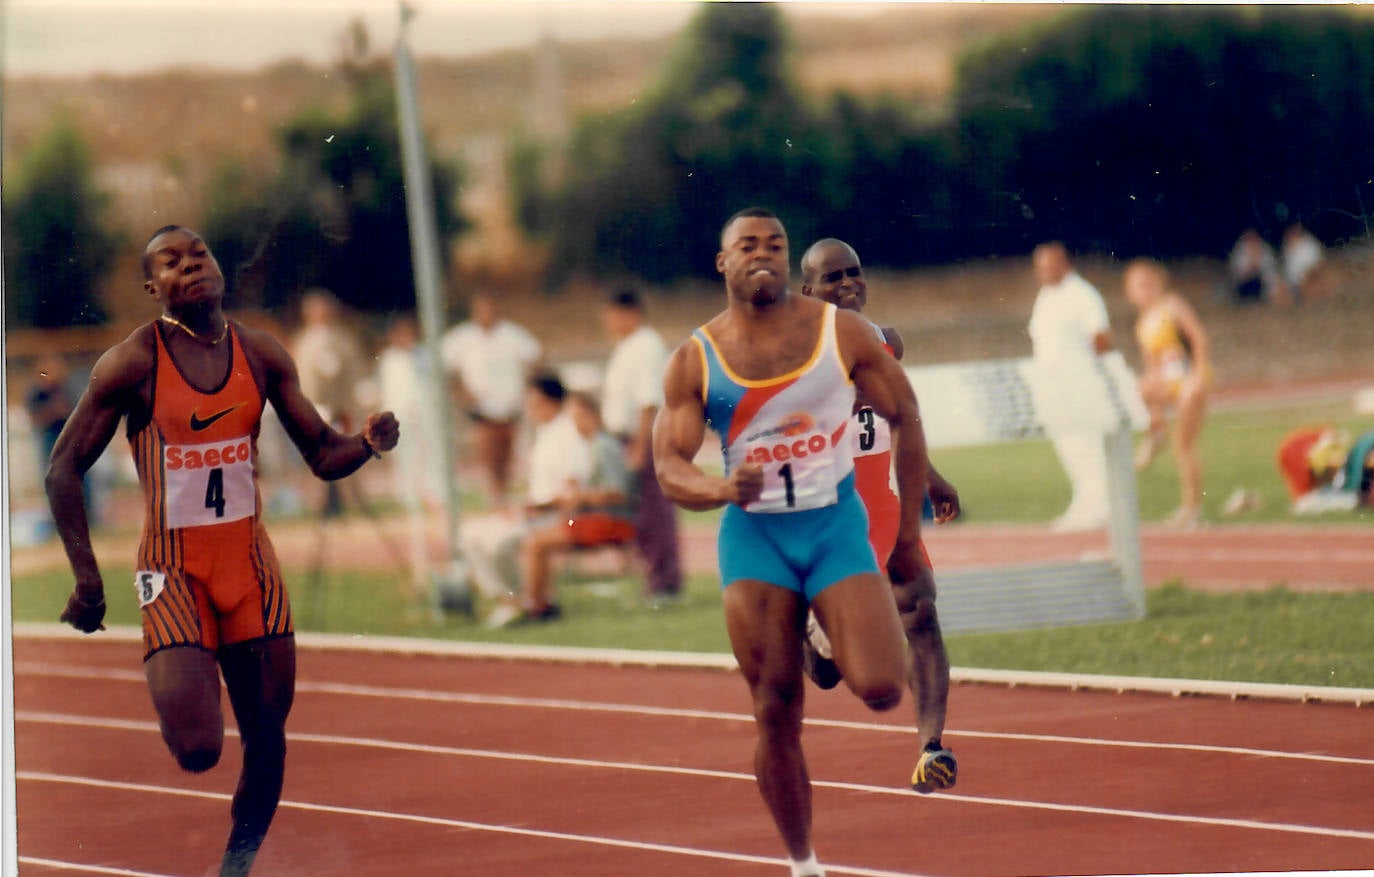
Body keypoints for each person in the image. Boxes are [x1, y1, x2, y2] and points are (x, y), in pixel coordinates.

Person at [45, 225, 399, 876]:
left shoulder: (260, 353)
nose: (192, 267)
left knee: (267, 737)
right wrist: (87, 579)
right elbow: (63, 467)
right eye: (172, 263)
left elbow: (323, 453)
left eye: (200, 254)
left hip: (250, 566)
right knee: (199, 747)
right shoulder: (133, 361)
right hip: (174, 567)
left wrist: (368, 443)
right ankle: (174, 677)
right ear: (154, 289)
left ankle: (236, 866)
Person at [653, 207, 927, 877]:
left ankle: (817, 629)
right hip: (756, 538)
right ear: (722, 262)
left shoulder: (841, 332)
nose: (763, 253)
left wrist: (909, 538)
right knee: (774, 708)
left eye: (775, 243)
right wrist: (721, 489)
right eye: (746, 245)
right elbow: (669, 466)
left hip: (833, 523)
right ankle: (804, 862)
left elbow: (905, 412)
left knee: (884, 686)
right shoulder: (697, 356)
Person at [798, 237, 960, 794]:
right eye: (832, 277)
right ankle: (809, 633)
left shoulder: (886, 343)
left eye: (854, 273)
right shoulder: (796, 354)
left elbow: (899, 421)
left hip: (885, 511)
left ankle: (931, 747)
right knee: (826, 671)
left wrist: (932, 480)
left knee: (921, 612)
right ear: (807, 291)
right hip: (831, 518)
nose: (846, 284)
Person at [461, 373, 622, 627]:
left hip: (555, 515)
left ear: (551, 402)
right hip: (536, 510)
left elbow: (573, 487)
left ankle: (521, 601)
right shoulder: (544, 433)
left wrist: (536, 508)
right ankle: (508, 599)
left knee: (498, 543)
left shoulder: (570, 435)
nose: (531, 409)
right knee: (471, 534)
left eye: (535, 403)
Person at [600, 287, 683, 604]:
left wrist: (639, 445)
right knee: (641, 512)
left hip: (645, 435)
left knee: (654, 511)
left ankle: (665, 581)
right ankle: (654, 577)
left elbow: (648, 400)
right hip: (627, 436)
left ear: (629, 313)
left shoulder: (646, 345)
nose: (608, 322)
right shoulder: (626, 347)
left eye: (612, 315)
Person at [1027, 241, 1115, 532]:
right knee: (1069, 446)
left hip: (1080, 383)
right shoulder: (1046, 295)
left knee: (1087, 445)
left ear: (1064, 262)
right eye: (1039, 266)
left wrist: (1091, 372)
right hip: (1054, 386)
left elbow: (1101, 336)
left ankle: (1102, 506)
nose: (1043, 271)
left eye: (1049, 264)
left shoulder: (1082, 294)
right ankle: (1085, 503)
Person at [1124, 258, 1212, 529]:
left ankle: (1192, 510)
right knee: (1137, 387)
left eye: (1147, 284)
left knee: (1183, 447)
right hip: (1169, 383)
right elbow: (1152, 367)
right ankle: (1156, 431)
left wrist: (1198, 374)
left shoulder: (1172, 306)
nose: (1144, 292)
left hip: (1190, 380)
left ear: (1158, 284)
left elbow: (1198, 337)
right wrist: (1155, 409)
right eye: (1137, 287)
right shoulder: (1142, 324)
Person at [440, 289, 542, 509]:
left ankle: (503, 494)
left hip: (509, 405)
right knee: (488, 453)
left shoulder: (513, 334)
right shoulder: (462, 338)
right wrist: (461, 392)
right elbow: (444, 368)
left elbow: (536, 358)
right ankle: (494, 494)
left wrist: (527, 387)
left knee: (506, 454)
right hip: (481, 408)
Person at [291, 288, 368, 517]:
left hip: (341, 407)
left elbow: (354, 371)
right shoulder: (303, 341)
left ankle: (351, 504)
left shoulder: (342, 339)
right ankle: (321, 506)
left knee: (346, 453)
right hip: (314, 408)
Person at [1227, 228, 1285, 305]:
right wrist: (1250, 268)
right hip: (1243, 284)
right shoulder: (1239, 250)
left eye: (1253, 238)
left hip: (1262, 284)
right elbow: (1235, 271)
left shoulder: (1265, 250)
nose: (1252, 241)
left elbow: (1270, 270)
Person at [1281, 222, 1328, 303]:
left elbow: (1320, 264)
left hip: (1309, 279)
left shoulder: (1310, 245)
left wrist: (1307, 276)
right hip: (1292, 283)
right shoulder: (1288, 247)